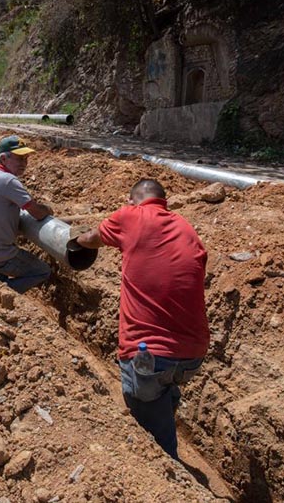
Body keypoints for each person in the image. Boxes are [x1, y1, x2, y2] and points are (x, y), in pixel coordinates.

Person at [75, 179, 209, 460]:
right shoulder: (185, 228)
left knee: (154, 442)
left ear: (132, 200)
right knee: (164, 388)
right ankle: (164, 403)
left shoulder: (130, 216)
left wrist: (75, 240)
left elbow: (91, 239)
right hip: (192, 355)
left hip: (149, 355)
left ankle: (170, 476)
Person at [0, 135, 53, 294]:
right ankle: (2, 294)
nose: (24, 164)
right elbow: (36, 213)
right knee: (42, 271)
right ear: (3, 159)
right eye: (19, 159)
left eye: (26, 159)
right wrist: (48, 211)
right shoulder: (8, 180)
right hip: (0, 257)